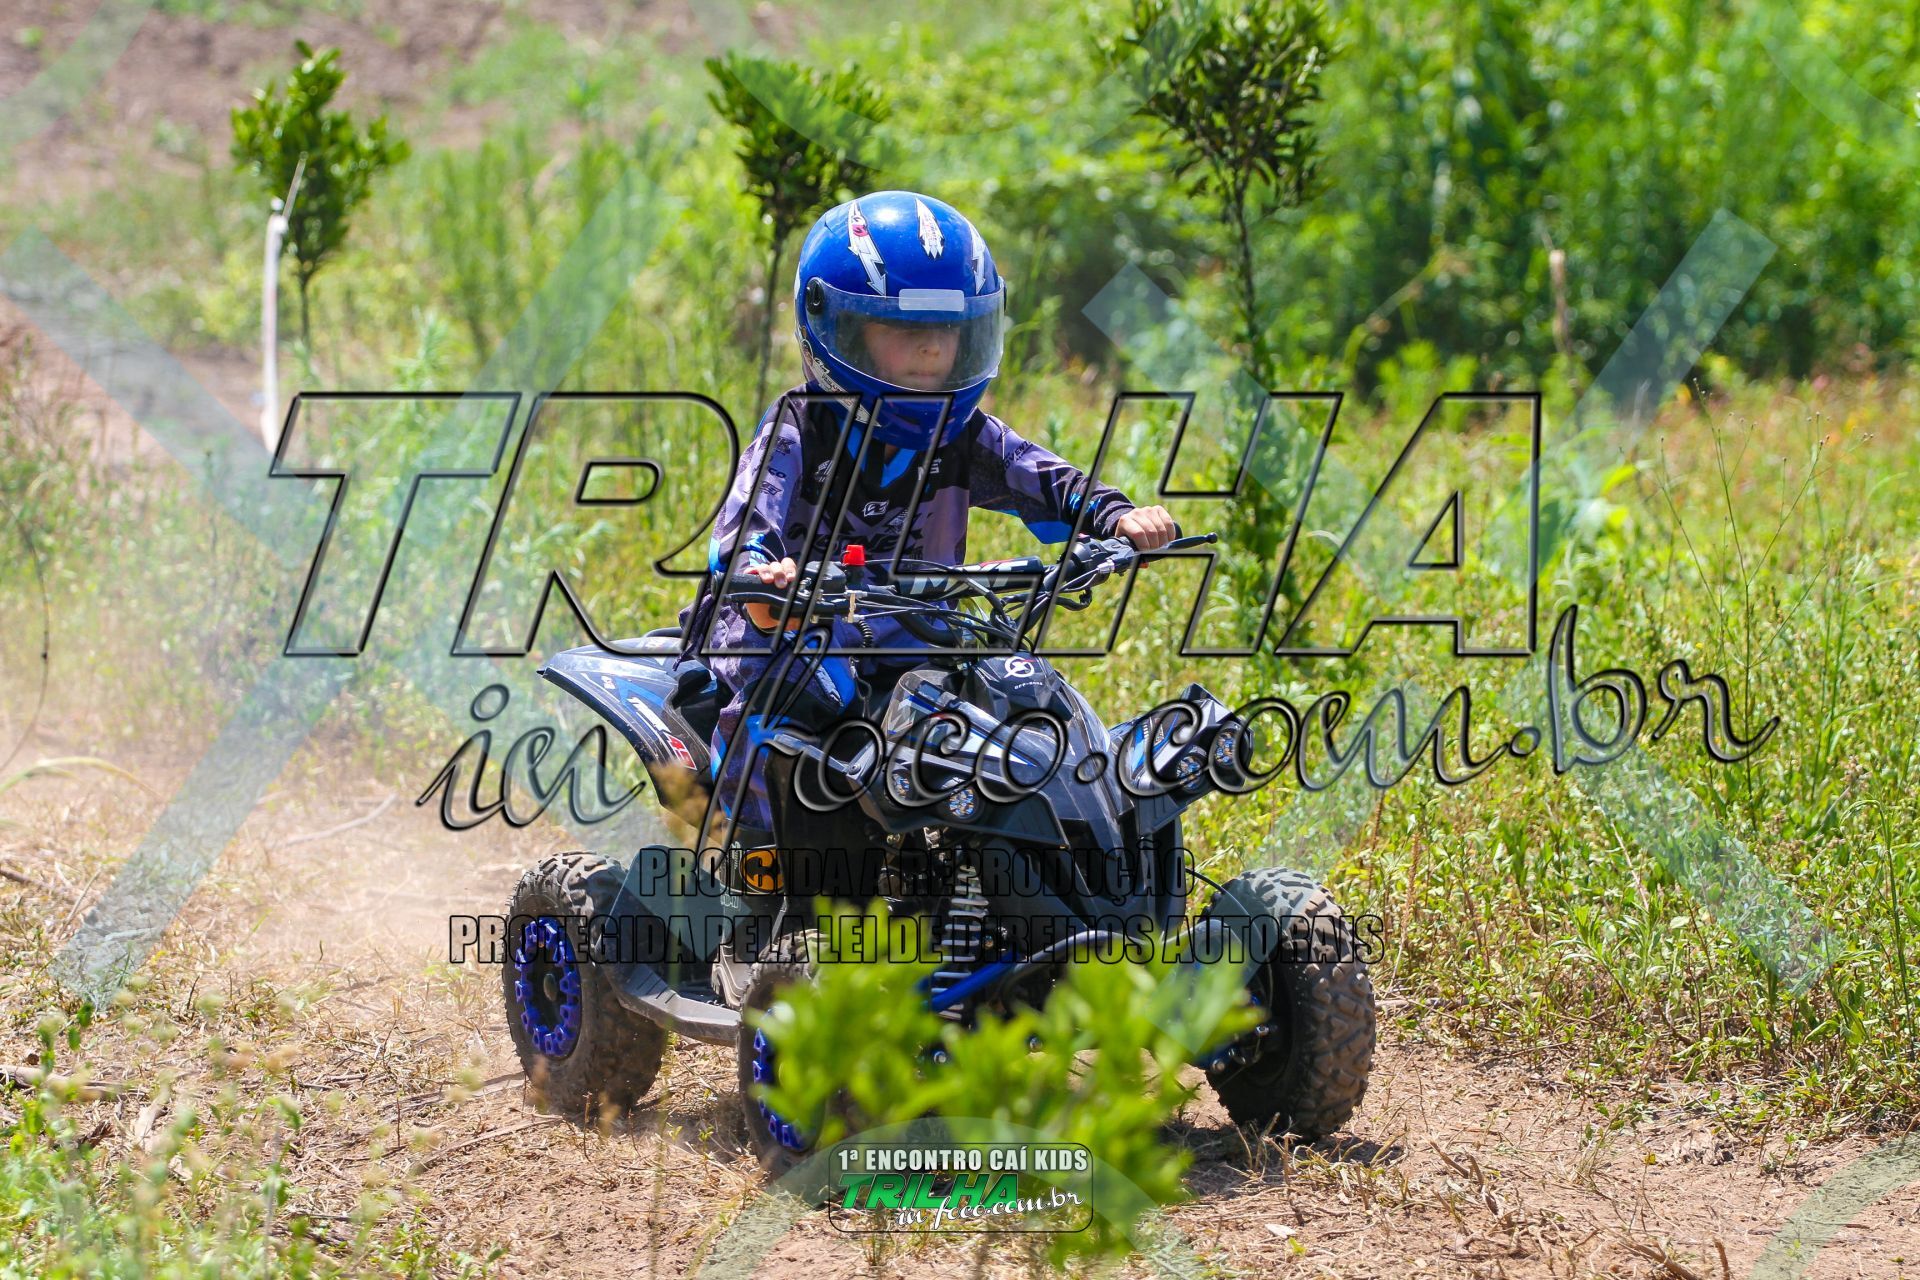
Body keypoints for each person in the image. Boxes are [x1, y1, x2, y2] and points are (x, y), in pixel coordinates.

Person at [679, 190, 1173, 842]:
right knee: (806, 693)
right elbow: (747, 523)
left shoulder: (963, 433)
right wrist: (763, 576)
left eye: (946, 332)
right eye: (905, 332)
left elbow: (1047, 481)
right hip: (789, 631)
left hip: (917, 629)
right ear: (838, 330)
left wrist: (1116, 516)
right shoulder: (798, 429)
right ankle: (744, 855)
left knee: (1020, 700)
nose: (931, 352)